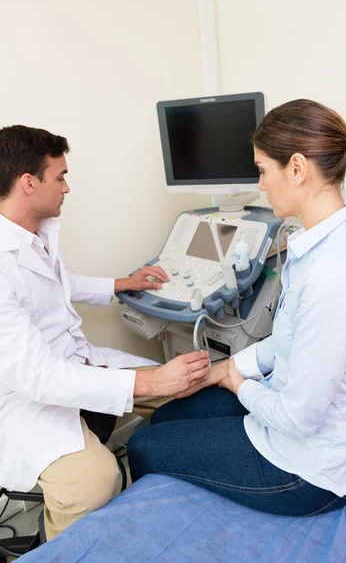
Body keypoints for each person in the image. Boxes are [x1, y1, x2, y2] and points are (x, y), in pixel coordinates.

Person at [127, 99, 346, 516]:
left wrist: (239, 384)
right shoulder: (318, 246)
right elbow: (284, 341)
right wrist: (222, 371)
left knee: (143, 444)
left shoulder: (336, 275)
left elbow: (300, 418)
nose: (260, 183)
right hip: (286, 415)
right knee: (167, 417)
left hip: (309, 471)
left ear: (296, 168)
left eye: (262, 170)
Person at [0, 125, 209, 540]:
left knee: (190, 387)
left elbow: (59, 283)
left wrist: (122, 284)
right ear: (28, 183)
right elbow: (39, 378)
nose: (67, 187)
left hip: (76, 364)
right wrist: (151, 380)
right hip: (24, 402)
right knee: (96, 483)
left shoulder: (33, 234)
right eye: (59, 176)